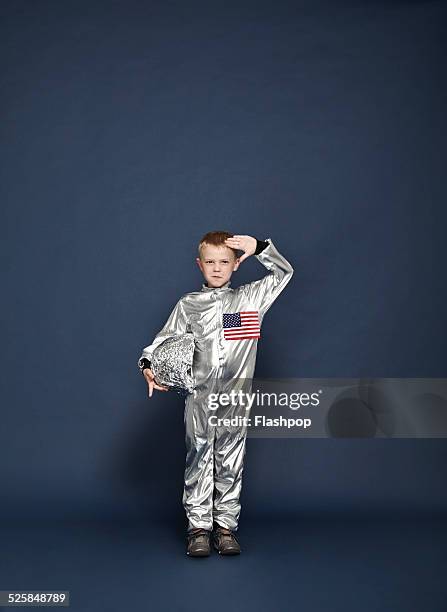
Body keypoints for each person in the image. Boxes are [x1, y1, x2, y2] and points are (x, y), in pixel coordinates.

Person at [138, 232, 294, 557]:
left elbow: (283, 273)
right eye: (210, 261)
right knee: (198, 454)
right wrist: (148, 363)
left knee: (231, 459)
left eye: (225, 261)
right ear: (200, 264)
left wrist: (261, 249)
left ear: (237, 264)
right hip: (199, 395)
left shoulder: (251, 300)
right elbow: (163, 340)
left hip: (235, 398)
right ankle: (198, 528)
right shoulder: (188, 305)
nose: (217, 268)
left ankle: (225, 527)